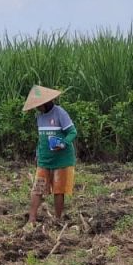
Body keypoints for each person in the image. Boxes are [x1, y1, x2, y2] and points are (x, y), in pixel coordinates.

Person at [23, 85, 78, 228]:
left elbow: (72, 132)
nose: (37, 108)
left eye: (38, 105)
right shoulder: (39, 116)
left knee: (59, 190)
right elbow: (41, 138)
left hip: (62, 159)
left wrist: (63, 143)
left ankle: (58, 219)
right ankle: (31, 219)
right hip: (44, 159)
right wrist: (38, 154)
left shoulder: (60, 113)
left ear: (46, 103)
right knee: (38, 188)